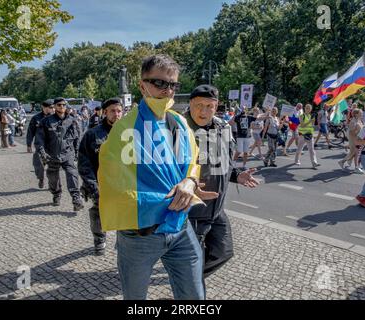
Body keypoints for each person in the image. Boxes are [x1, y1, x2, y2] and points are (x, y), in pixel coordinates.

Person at [98, 54, 217, 300]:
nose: (167, 90)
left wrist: (190, 182)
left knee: (195, 297)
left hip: (181, 228)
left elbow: (193, 162)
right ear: (142, 85)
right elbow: (113, 186)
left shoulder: (180, 123)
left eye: (173, 84)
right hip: (141, 235)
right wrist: (169, 200)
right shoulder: (126, 128)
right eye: (159, 83)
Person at [183, 84, 259, 292]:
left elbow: (222, 162)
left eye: (210, 106)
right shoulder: (179, 129)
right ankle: (189, 291)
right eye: (199, 105)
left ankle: (187, 280)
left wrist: (236, 175)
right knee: (194, 264)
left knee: (223, 251)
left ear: (216, 107)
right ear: (190, 104)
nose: (204, 111)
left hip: (217, 208)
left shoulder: (223, 127)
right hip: (192, 210)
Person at [78, 98, 123, 255]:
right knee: (98, 213)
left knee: (124, 213)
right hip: (100, 185)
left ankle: (123, 241)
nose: (116, 114)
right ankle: (99, 239)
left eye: (119, 111)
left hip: (122, 185)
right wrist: (92, 186)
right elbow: (84, 164)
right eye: (112, 111)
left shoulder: (129, 133)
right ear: (105, 112)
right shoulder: (92, 134)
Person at [34, 97, 84, 211]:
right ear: (55, 107)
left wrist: (77, 153)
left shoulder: (72, 120)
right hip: (52, 155)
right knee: (52, 178)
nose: (62, 107)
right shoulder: (46, 121)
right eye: (59, 105)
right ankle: (56, 194)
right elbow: (39, 139)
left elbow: (77, 138)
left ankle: (76, 199)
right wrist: (42, 152)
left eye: (64, 105)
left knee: (72, 174)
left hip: (68, 154)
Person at [26, 99, 55, 189]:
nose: (51, 109)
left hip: (53, 146)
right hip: (40, 145)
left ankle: (52, 184)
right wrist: (28, 144)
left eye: (52, 107)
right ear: (43, 107)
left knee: (53, 167)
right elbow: (30, 131)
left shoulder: (55, 118)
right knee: (38, 164)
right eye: (49, 107)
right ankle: (41, 178)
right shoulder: (36, 118)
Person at [338, 108, 364, 173]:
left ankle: (351, 164)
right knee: (354, 152)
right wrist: (357, 131)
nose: (362, 114)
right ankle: (343, 162)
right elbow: (351, 132)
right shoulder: (353, 121)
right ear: (356, 114)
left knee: (355, 153)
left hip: (358, 138)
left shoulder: (359, 120)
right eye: (360, 113)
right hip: (353, 138)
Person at [295, 104, 320, 168]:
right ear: (304, 108)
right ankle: (297, 160)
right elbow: (302, 125)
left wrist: (313, 124)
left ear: (311, 109)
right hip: (302, 135)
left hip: (310, 135)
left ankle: (314, 163)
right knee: (299, 149)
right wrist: (310, 121)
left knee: (312, 150)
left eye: (309, 108)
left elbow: (311, 126)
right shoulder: (301, 116)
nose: (308, 109)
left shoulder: (310, 116)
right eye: (306, 108)